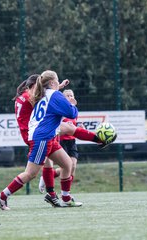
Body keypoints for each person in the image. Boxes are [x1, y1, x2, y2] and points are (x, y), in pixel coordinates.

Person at [11, 74, 108, 208]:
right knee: (69, 129)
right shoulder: (30, 96)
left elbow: (42, 95)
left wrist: (57, 87)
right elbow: (43, 97)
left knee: (58, 163)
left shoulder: (22, 96)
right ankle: (98, 139)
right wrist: (60, 95)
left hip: (34, 131)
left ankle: (54, 195)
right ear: (34, 86)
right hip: (39, 131)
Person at [0, 70, 83, 210]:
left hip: (45, 136)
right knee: (31, 173)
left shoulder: (29, 96)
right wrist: (69, 102)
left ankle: (65, 198)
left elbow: (44, 94)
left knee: (67, 164)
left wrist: (57, 87)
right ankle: (3, 196)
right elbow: (67, 110)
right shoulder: (35, 96)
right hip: (40, 138)